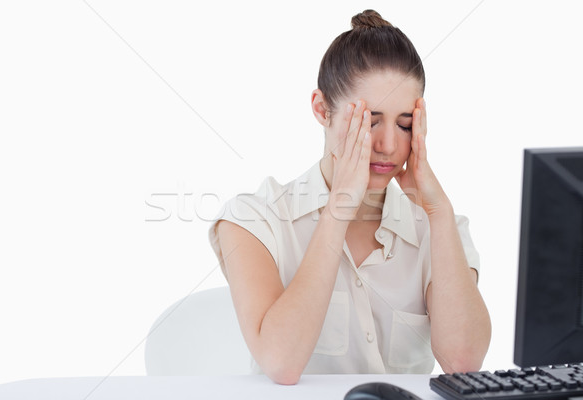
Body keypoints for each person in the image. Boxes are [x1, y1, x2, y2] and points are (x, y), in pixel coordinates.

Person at [208, 9, 491, 385]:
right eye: (369, 121)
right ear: (322, 110)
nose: (388, 144)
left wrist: (438, 214)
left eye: (405, 124)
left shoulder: (440, 228)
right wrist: (338, 209)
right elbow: (281, 362)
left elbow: (463, 362)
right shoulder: (252, 220)